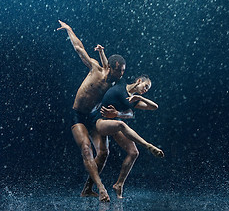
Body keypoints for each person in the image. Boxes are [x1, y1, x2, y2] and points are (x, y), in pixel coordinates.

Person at [57, 20, 126, 202]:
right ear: (112, 68)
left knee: (104, 152)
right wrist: (69, 30)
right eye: (120, 71)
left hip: (94, 116)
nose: (121, 75)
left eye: (123, 72)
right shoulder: (96, 68)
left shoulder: (114, 81)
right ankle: (101, 188)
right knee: (86, 149)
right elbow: (80, 49)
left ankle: (87, 188)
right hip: (78, 114)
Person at [93, 75, 165, 198]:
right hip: (99, 121)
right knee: (121, 125)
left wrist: (139, 97)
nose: (146, 90)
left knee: (134, 152)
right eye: (146, 86)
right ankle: (148, 145)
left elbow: (154, 107)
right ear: (139, 81)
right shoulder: (121, 82)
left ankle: (119, 184)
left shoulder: (134, 100)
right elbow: (109, 68)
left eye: (148, 89)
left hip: (113, 124)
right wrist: (101, 53)